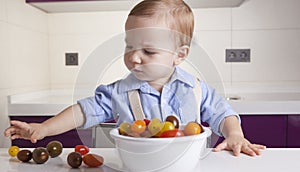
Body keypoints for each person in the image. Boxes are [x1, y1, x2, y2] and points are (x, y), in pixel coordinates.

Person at [4, 0, 265, 156]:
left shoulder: (196, 89)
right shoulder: (117, 92)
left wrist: (235, 134)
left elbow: (223, 113)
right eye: (130, 46)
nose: (134, 57)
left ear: (179, 55)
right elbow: (82, 112)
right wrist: (43, 129)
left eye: (148, 51)